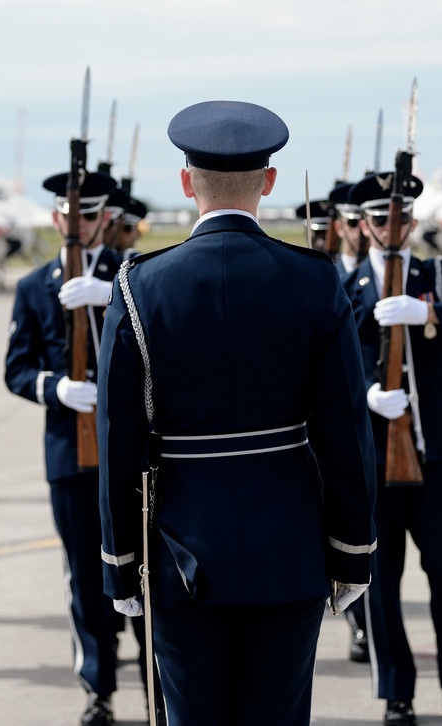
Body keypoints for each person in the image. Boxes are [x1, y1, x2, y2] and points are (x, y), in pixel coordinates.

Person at [98, 100, 377, 726]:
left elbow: (120, 436)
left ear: (185, 181)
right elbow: (345, 429)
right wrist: (352, 548)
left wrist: (120, 563)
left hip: (179, 553)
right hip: (291, 546)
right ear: (269, 181)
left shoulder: (141, 285)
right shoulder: (314, 278)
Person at [342, 171, 442, 724]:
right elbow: (321, 366)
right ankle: (396, 692)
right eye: (381, 219)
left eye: (402, 218)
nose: (393, 228)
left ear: (413, 222)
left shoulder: (434, 273)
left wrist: (431, 312)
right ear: (362, 226)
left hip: (433, 455)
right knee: (381, 586)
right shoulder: (342, 290)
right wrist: (366, 393)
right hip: (374, 461)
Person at [5, 169, 161, 726]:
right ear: (55, 219)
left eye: (91, 216)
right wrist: (56, 389)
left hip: (136, 454)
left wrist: (115, 293)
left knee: (144, 574)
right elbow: (16, 369)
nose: (81, 226)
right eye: (71, 216)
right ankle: (98, 688)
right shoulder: (33, 287)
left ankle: (155, 690)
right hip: (70, 454)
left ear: (107, 219)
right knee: (84, 576)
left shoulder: (138, 276)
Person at [329, 180, 366, 280]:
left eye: (365, 223)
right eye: (352, 223)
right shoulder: (328, 274)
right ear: (339, 227)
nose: (360, 231)